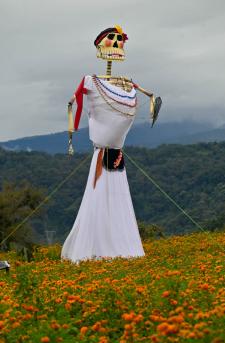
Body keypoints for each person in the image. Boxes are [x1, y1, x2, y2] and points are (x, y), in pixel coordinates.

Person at [61, 25, 159, 263]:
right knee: (100, 194)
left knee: (116, 195)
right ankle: (97, 245)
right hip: (102, 151)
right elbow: (75, 102)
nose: (116, 44)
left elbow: (149, 97)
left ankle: (117, 243)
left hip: (115, 153)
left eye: (119, 40)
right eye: (111, 40)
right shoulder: (92, 82)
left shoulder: (128, 84)